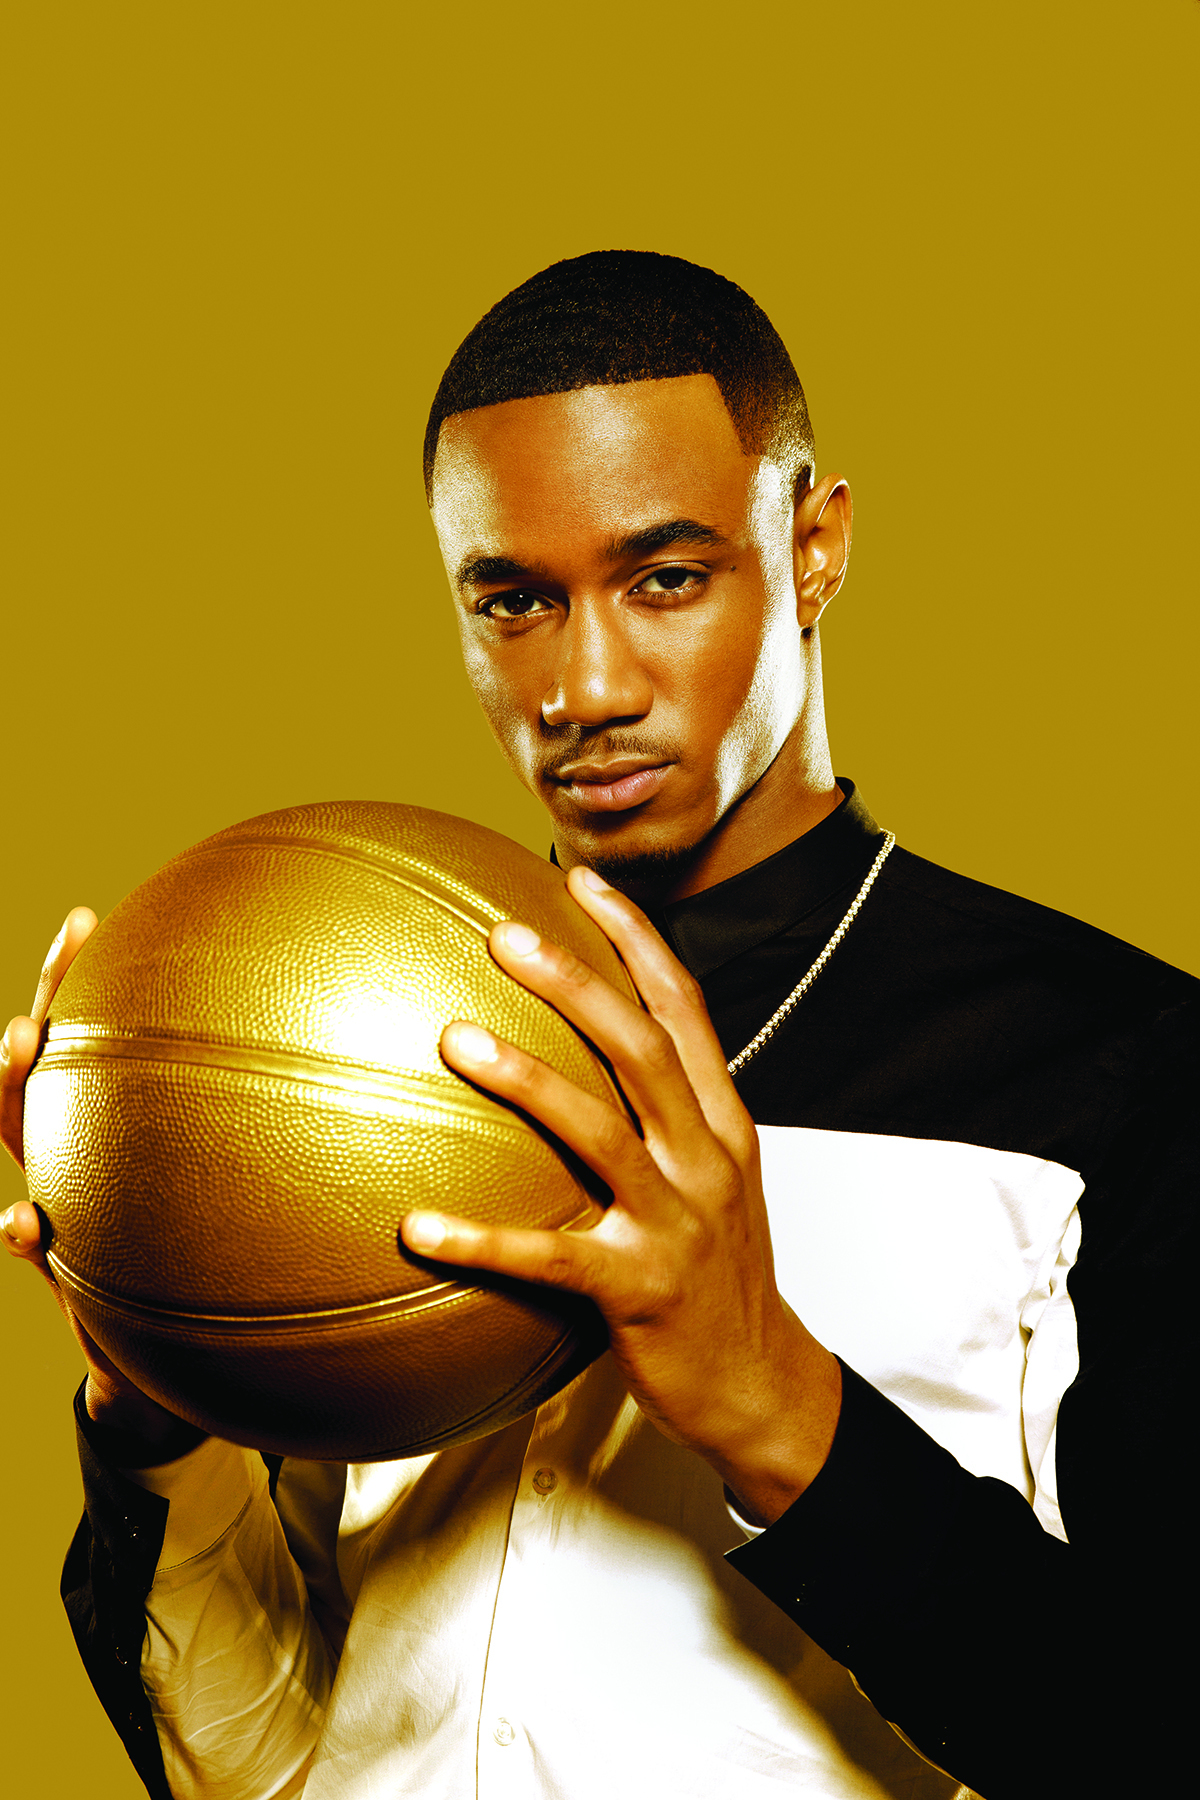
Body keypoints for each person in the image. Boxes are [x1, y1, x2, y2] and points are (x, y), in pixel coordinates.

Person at [1, 251, 1192, 1800]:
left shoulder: (1119, 1069)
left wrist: (779, 1404)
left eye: (665, 579)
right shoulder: (353, 1047)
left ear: (814, 548)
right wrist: (161, 1383)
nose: (585, 686)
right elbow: (256, 1763)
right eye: (514, 601)